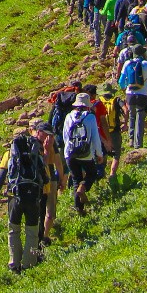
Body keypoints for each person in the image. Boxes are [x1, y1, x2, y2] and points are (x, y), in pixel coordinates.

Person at [0, 127, 50, 272]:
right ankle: (29, 263)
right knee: (32, 231)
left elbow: (1, 176)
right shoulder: (36, 152)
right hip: (33, 197)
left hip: (15, 197)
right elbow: (45, 177)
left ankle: (14, 264)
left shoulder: (9, 154)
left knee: (14, 230)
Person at [61, 85, 104, 214]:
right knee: (92, 174)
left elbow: (65, 136)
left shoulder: (68, 117)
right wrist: (99, 154)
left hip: (70, 153)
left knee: (75, 179)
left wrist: (67, 151)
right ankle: (83, 187)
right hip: (86, 153)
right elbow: (95, 138)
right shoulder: (90, 117)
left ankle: (79, 209)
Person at [30, 118, 66, 243]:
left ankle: (42, 236)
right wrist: (61, 179)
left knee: (44, 210)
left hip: (39, 180)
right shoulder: (50, 144)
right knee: (49, 210)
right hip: (48, 178)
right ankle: (44, 236)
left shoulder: (31, 143)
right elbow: (58, 163)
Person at [119, 44, 147, 149]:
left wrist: (125, 87)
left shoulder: (127, 63)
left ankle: (131, 139)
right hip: (143, 94)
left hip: (130, 95)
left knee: (132, 116)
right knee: (140, 118)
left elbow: (121, 81)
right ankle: (138, 143)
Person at [101, 84, 126, 178]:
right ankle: (112, 174)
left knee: (103, 152)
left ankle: (102, 173)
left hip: (102, 132)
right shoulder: (116, 100)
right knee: (116, 153)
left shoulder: (99, 101)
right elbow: (126, 110)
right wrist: (126, 123)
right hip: (114, 131)